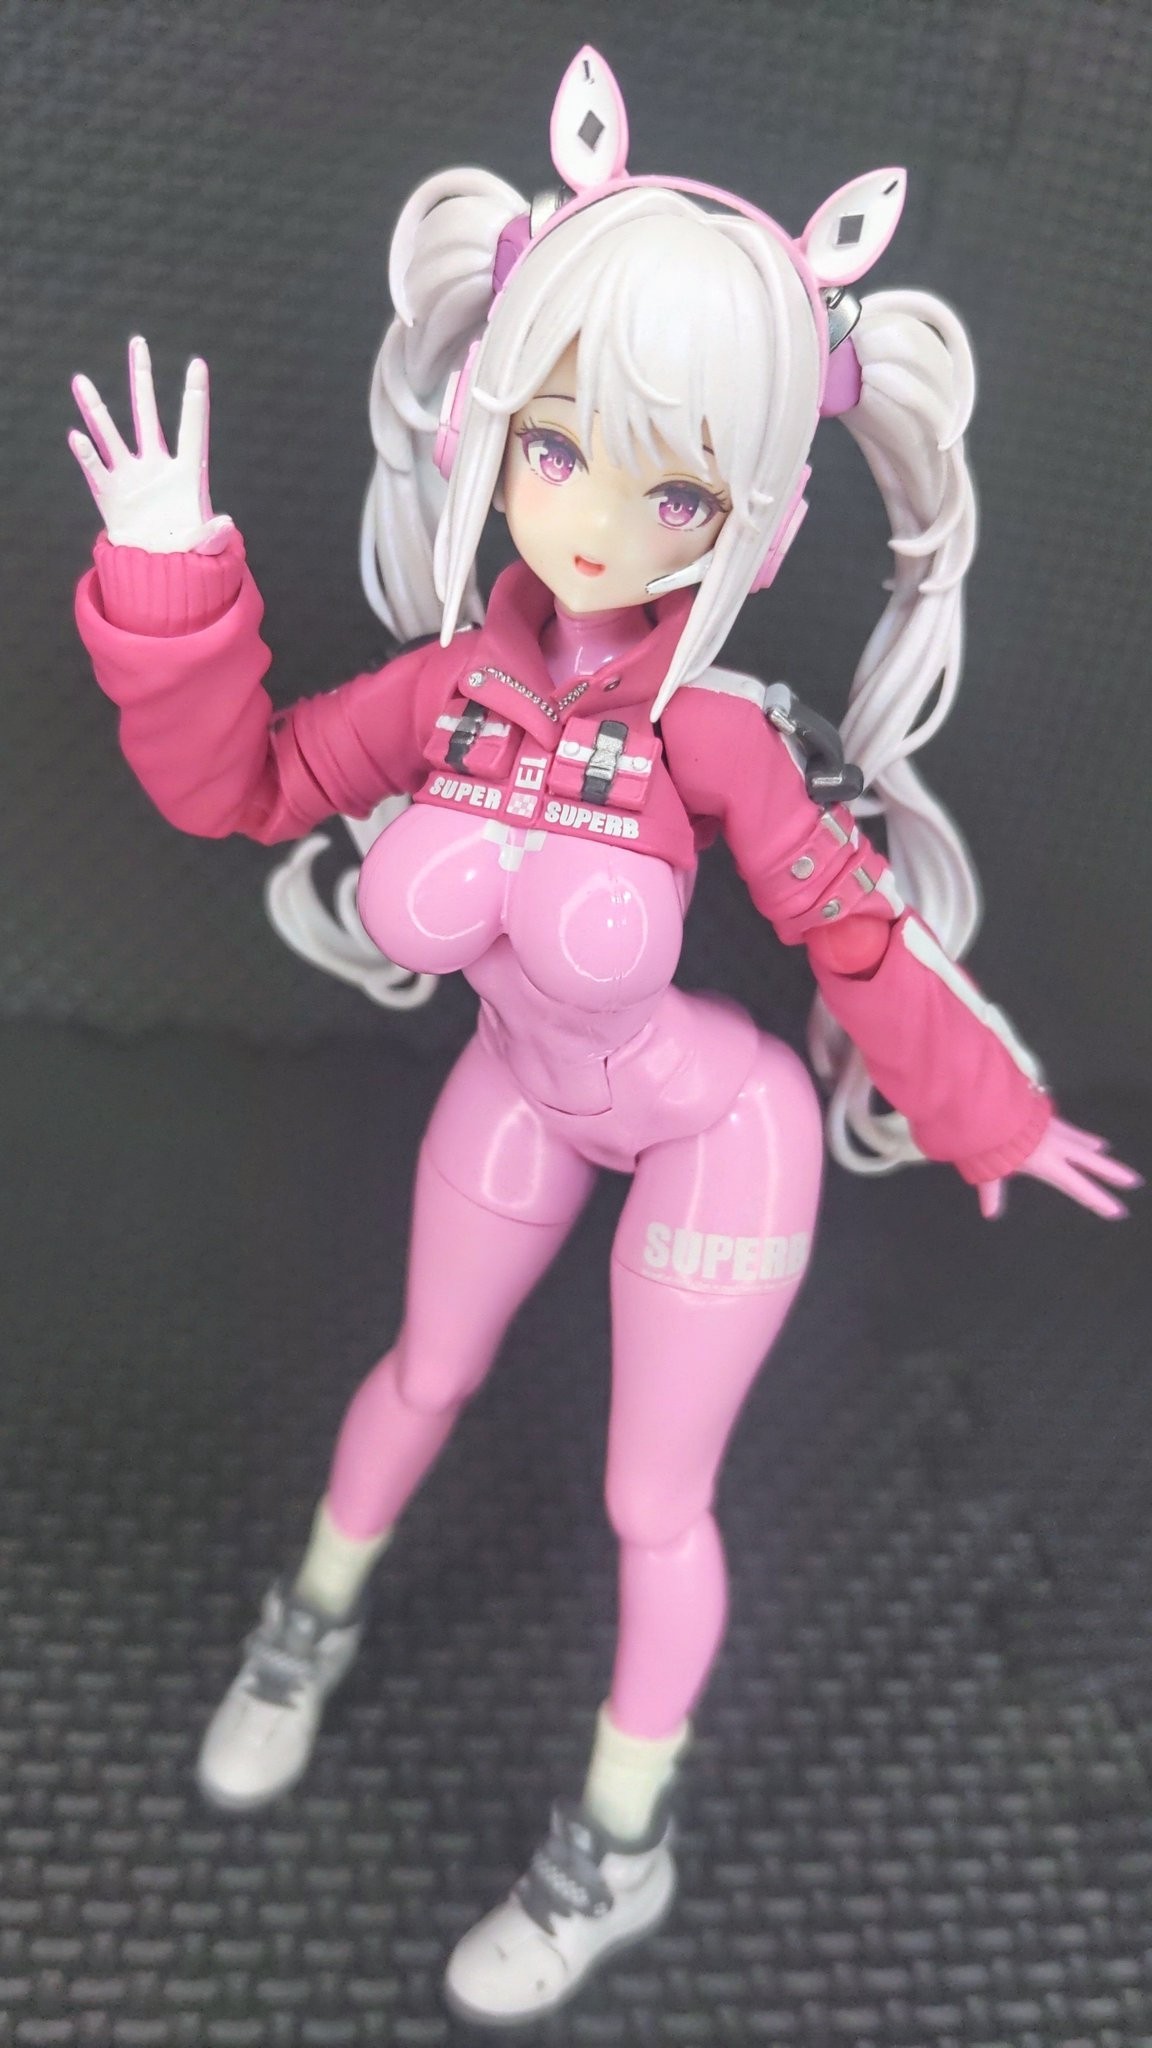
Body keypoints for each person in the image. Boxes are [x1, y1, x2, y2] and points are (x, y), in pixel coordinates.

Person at [68, 46, 1137, 2028]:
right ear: (487, 418)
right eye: (557, 448)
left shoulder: (713, 736)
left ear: (756, 519)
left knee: (656, 1502)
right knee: (421, 1370)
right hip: (523, 1091)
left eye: (677, 490)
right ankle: (305, 1625)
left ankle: (616, 1848)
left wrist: (987, 1111)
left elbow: (854, 931)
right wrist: (167, 576)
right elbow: (247, 787)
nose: (594, 518)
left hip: (718, 1134)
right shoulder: (440, 695)